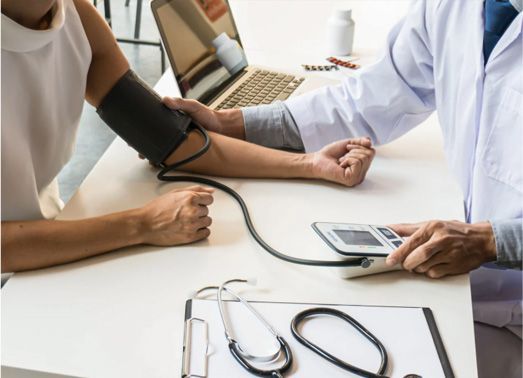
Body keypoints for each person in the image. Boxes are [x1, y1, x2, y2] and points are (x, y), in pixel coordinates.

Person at [170, 0, 522, 376]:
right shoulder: (452, 7)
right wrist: (229, 124)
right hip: (472, 292)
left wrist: (493, 241)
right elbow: (369, 99)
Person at [0, 0, 376, 273]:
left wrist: (310, 164)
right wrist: (141, 224)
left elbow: (172, 140)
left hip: (43, 237)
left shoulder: (74, 16)